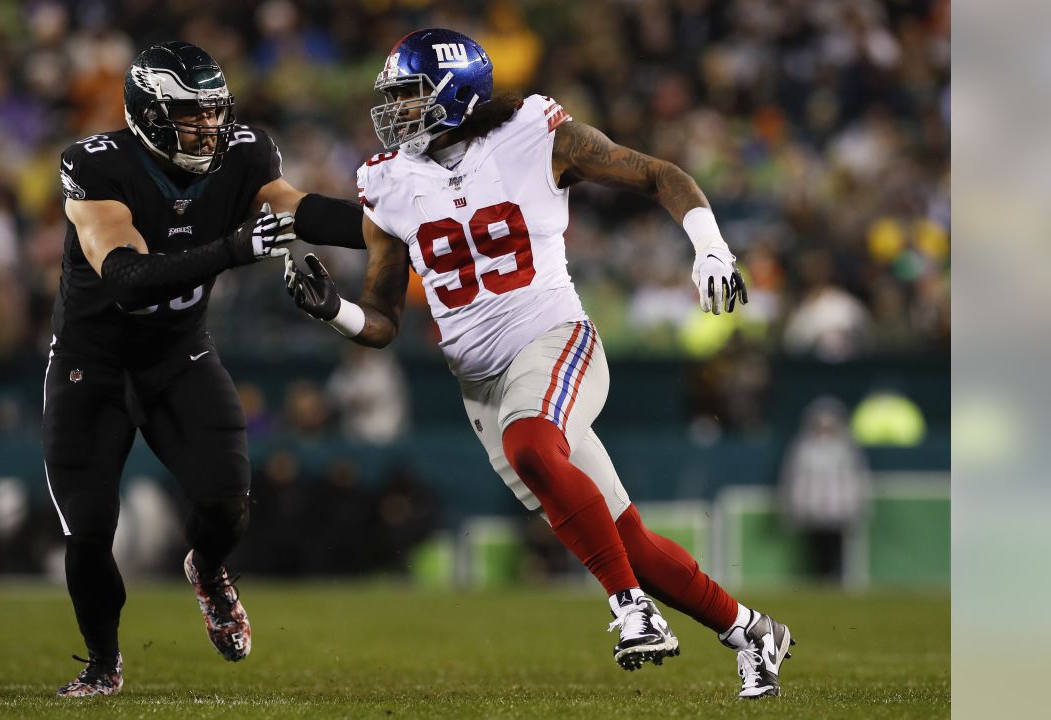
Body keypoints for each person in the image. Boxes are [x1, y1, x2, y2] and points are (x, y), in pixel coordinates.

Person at [285, 28, 793, 699]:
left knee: (534, 446)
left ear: (455, 92)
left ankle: (631, 610)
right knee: (625, 538)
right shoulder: (389, 181)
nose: (396, 111)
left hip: (553, 338)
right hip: (480, 385)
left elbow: (658, 174)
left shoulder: (532, 133)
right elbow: (382, 323)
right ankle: (752, 631)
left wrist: (709, 248)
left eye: (410, 95)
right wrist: (335, 311)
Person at [46, 40, 364, 698]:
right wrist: (231, 248)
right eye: (192, 116)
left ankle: (209, 569)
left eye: (215, 113)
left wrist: (391, 228)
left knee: (228, 505)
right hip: (93, 367)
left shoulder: (244, 153)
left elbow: (294, 205)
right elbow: (128, 277)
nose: (209, 129)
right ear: (150, 115)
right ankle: (102, 664)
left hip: (178, 357)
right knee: (89, 531)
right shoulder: (95, 166)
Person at [779, 396, 872, 583]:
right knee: (814, 549)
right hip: (813, 509)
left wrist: (855, 505)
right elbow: (795, 478)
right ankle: (819, 581)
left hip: (838, 509)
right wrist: (795, 506)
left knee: (837, 547)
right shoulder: (804, 447)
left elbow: (855, 479)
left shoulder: (845, 447)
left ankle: (837, 580)